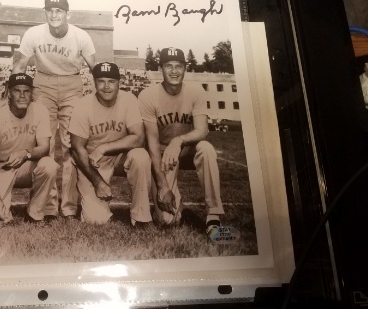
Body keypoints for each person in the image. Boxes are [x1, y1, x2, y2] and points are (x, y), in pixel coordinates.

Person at [12, 0, 96, 220]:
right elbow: (20, 65)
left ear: (68, 13)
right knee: (44, 144)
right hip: (43, 82)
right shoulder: (33, 33)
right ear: (45, 12)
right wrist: (10, 90)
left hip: (72, 84)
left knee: (72, 146)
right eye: (50, 10)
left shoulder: (81, 36)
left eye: (59, 10)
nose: (54, 14)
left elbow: (95, 69)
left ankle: (69, 206)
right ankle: (47, 205)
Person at [138, 47, 225, 237]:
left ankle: (214, 214)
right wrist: (163, 186)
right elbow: (151, 143)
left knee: (207, 149)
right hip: (162, 155)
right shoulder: (147, 95)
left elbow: (202, 131)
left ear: (185, 68)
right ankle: (174, 203)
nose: (174, 71)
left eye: (179, 66)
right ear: (160, 68)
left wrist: (179, 140)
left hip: (187, 149)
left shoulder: (195, 91)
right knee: (168, 221)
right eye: (169, 66)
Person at [69, 62, 152, 225]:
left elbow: (139, 138)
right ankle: (97, 204)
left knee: (140, 156)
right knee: (96, 220)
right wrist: (98, 182)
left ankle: (140, 216)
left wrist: (104, 147)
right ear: (94, 83)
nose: (106, 87)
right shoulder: (82, 105)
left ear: (119, 83)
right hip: (93, 162)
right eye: (101, 81)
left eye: (111, 81)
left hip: (121, 156)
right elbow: (78, 149)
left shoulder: (129, 99)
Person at [0, 73, 58, 226]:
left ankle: (34, 213)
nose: (22, 95)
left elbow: (44, 148)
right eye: (17, 91)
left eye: (26, 91)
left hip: (24, 167)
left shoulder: (40, 111)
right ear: (8, 92)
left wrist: (26, 153)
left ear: (32, 93)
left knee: (49, 165)